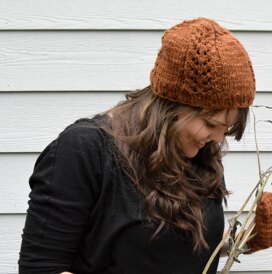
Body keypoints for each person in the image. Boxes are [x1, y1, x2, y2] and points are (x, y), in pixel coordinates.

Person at [18, 17, 256, 273]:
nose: (218, 139)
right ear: (172, 106)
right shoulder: (85, 149)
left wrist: (243, 241)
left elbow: (172, 251)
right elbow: (41, 268)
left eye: (226, 128)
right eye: (210, 124)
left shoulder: (197, 152)